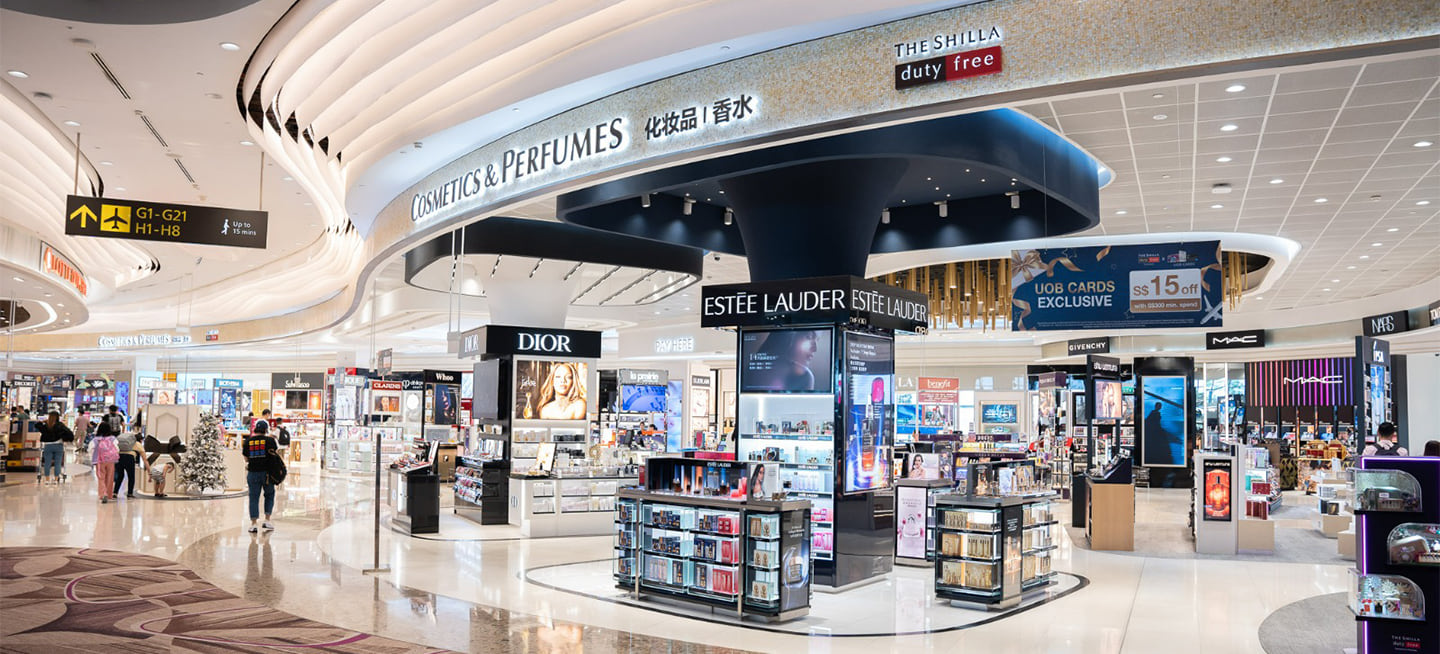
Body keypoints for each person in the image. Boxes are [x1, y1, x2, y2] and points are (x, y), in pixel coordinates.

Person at [748, 330, 822, 391]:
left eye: (817, 340)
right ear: (789, 336)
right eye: (808, 337)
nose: (814, 349)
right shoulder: (805, 376)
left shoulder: (751, 368)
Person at [244, 422, 279, 532]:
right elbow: (275, 455)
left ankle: (254, 523)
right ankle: (267, 520)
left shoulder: (248, 441)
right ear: (265, 429)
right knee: (269, 495)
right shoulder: (270, 441)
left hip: (253, 472)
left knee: (253, 497)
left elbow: (246, 458)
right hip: (268, 474)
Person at [36, 410, 74, 485]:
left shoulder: (46, 425)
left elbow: (37, 425)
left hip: (48, 446)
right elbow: (69, 432)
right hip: (58, 445)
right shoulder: (60, 425)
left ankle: (47, 480)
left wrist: (43, 421)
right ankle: (56, 480)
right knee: (58, 463)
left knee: (47, 463)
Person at [109, 406, 139, 498]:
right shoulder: (135, 443)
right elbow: (123, 424)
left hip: (118, 454)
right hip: (129, 458)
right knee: (131, 476)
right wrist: (121, 432)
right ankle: (130, 493)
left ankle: (115, 492)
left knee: (120, 475)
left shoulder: (107, 417)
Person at [90, 422, 119, 503]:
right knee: (110, 478)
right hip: (111, 460)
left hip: (99, 461)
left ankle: (103, 494)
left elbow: (90, 449)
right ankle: (109, 494)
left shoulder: (96, 439)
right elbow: (117, 448)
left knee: (101, 478)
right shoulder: (113, 438)